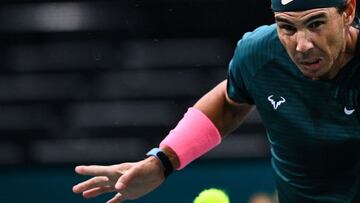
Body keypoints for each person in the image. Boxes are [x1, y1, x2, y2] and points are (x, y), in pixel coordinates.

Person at [73, 0, 360, 202]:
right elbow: (228, 101)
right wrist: (163, 161)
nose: (302, 44)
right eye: (287, 27)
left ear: (348, 11)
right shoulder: (259, 54)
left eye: (316, 23)